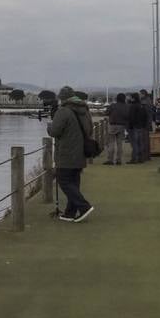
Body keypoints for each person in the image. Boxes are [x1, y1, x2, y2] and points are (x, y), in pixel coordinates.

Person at [46, 88, 93, 221]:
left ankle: (84, 206)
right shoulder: (84, 110)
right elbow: (89, 129)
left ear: (62, 98)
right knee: (74, 182)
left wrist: (49, 126)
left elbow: (55, 131)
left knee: (63, 180)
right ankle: (70, 213)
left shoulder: (63, 111)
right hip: (80, 152)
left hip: (66, 152)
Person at [105, 93, 130, 165]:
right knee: (120, 144)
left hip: (112, 125)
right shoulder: (126, 106)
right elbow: (127, 116)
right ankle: (119, 160)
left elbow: (106, 112)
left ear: (117, 98)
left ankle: (110, 160)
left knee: (111, 143)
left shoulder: (112, 105)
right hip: (122, 125)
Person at [127, 93, 151, 163]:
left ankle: (134, 158)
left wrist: (130, 126)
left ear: (133, 98)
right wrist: (144, 125)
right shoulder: (142, 106)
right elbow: (146, 116)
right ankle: (141, 158)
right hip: (141, 127)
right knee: (141, 143)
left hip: (134, 127)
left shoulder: (133, 106)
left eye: (131, 97)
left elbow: (131, 117)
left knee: (135, 143)